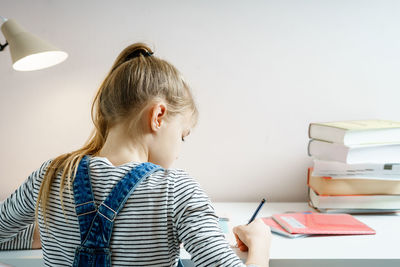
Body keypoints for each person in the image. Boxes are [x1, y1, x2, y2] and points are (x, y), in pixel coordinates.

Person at [0, 43, 271, 266]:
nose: (179, 151)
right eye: (183, 136)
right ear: (158, 115)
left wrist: (50, 232)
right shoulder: (176, 191)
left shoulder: (50, 176)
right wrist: (260, 242)